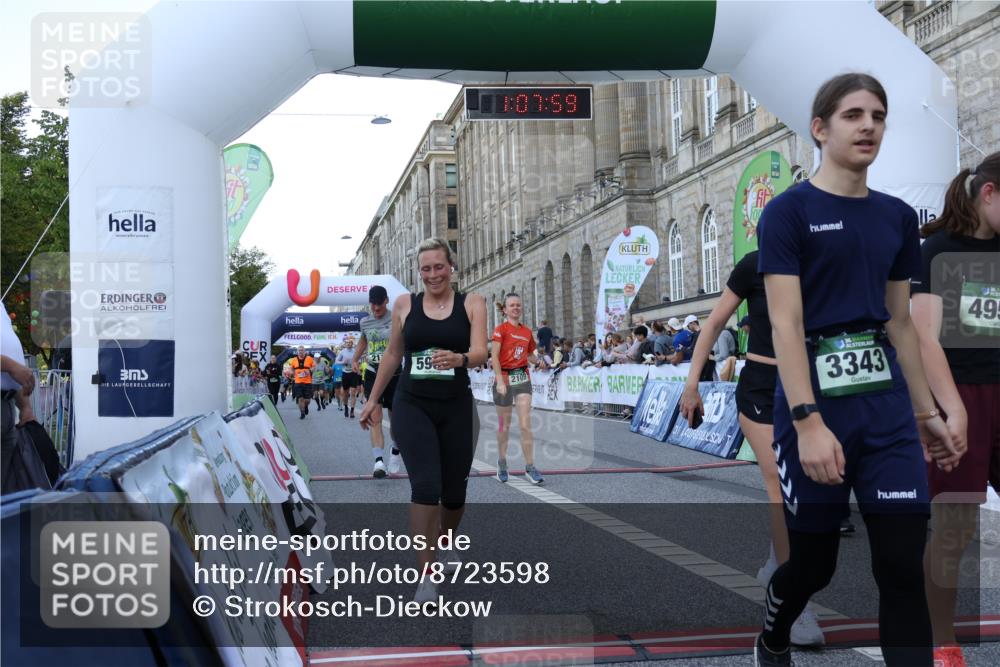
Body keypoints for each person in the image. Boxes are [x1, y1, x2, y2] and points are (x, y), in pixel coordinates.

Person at [753, 73, 956, 667]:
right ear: (820, 129)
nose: (868, 125)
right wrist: (809, 421)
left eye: (878, 115)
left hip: (886, 412)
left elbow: (899, 323)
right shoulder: (788, 214)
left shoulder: (895, 218)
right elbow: (787, 325)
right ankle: (774, 630)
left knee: (900, 567)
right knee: (814, 564)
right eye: (852, 115)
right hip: (814, 406)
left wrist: (926, 414)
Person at [678, 251, 824, 647]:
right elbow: (713, 323)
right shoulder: (754, 264)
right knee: (781, 484)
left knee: (812, 487)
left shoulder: (823, 258)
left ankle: (778, 564)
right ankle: (794, 603)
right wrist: (692, 384)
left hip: (812, 381)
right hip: (762, 383)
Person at [359, 238, 487, 604]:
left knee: (454, 493)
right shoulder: (404, 305)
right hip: (412, 403)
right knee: (426, 487)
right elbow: (393, 355)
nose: (432, 275)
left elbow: (480, 351)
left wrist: (459, 358)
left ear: (451, 267)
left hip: (456, 405)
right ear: (419, 272)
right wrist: (371, 400)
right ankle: (426, 576)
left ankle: (445, 543)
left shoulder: (472, 303)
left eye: (439, 267)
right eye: (426, 269)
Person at [912, 152, 1000, 667]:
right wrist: (944, 410)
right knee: (956, 525)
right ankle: (942, 640)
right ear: (988, 194)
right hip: (959, 395)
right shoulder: (936, 250)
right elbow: (924, 337)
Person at [491, 293, 543, 485]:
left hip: (522, 377)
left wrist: (540, 362)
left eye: (518, 305)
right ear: (504, 309)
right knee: (504, 426)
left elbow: (529, 354)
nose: (515, 308)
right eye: (512, 305)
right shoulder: (500, 330)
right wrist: (500, 381)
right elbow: (494, 356)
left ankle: (530, 467)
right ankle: (502, 463)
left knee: (525, 424)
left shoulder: (527, 332)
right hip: (503, 377)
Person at [355, 285, 403, 479]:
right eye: (372, 305)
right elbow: (363, 341)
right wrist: (354, 358)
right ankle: (378, 462)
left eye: (379, 305)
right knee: (375, 416)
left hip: (394, 373)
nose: (376, 309)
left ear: (386, 301)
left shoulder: (396, 319)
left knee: (396, 419)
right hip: (373, 372)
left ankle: (395, 451)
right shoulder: (365, 322)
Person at [1, 304, 36, 484]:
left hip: (6, 406)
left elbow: (8, 352)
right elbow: (11, 365)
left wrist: (25, 406)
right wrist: (11, 366)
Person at [287, 346, 315, 420]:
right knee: (300, 398)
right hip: (298, 382)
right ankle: (302, 413)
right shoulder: (294, 360)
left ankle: (305, 406)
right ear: (297, 352)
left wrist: (309, 371)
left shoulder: (309, 359)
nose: (300, 351)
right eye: (299, 350)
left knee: (307, 400)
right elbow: (291, 368)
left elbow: (314, 367)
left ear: (304, 351)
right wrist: (292, 373)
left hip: (308, 382)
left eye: (302, 350)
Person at [337, 339, 360, 418]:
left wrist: (356, 367)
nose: (349, 344)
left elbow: (358, 361)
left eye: (350, 342)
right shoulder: (342, 351)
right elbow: (337, 361)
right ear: (345, 344)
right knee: (345, 394)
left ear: (352, 344)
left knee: (353, 392)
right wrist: (343, 362)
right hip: (345, 374)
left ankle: (352, 411)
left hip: (353, 373)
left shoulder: (355, 351)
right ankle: (346, 407)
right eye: (347, 342)